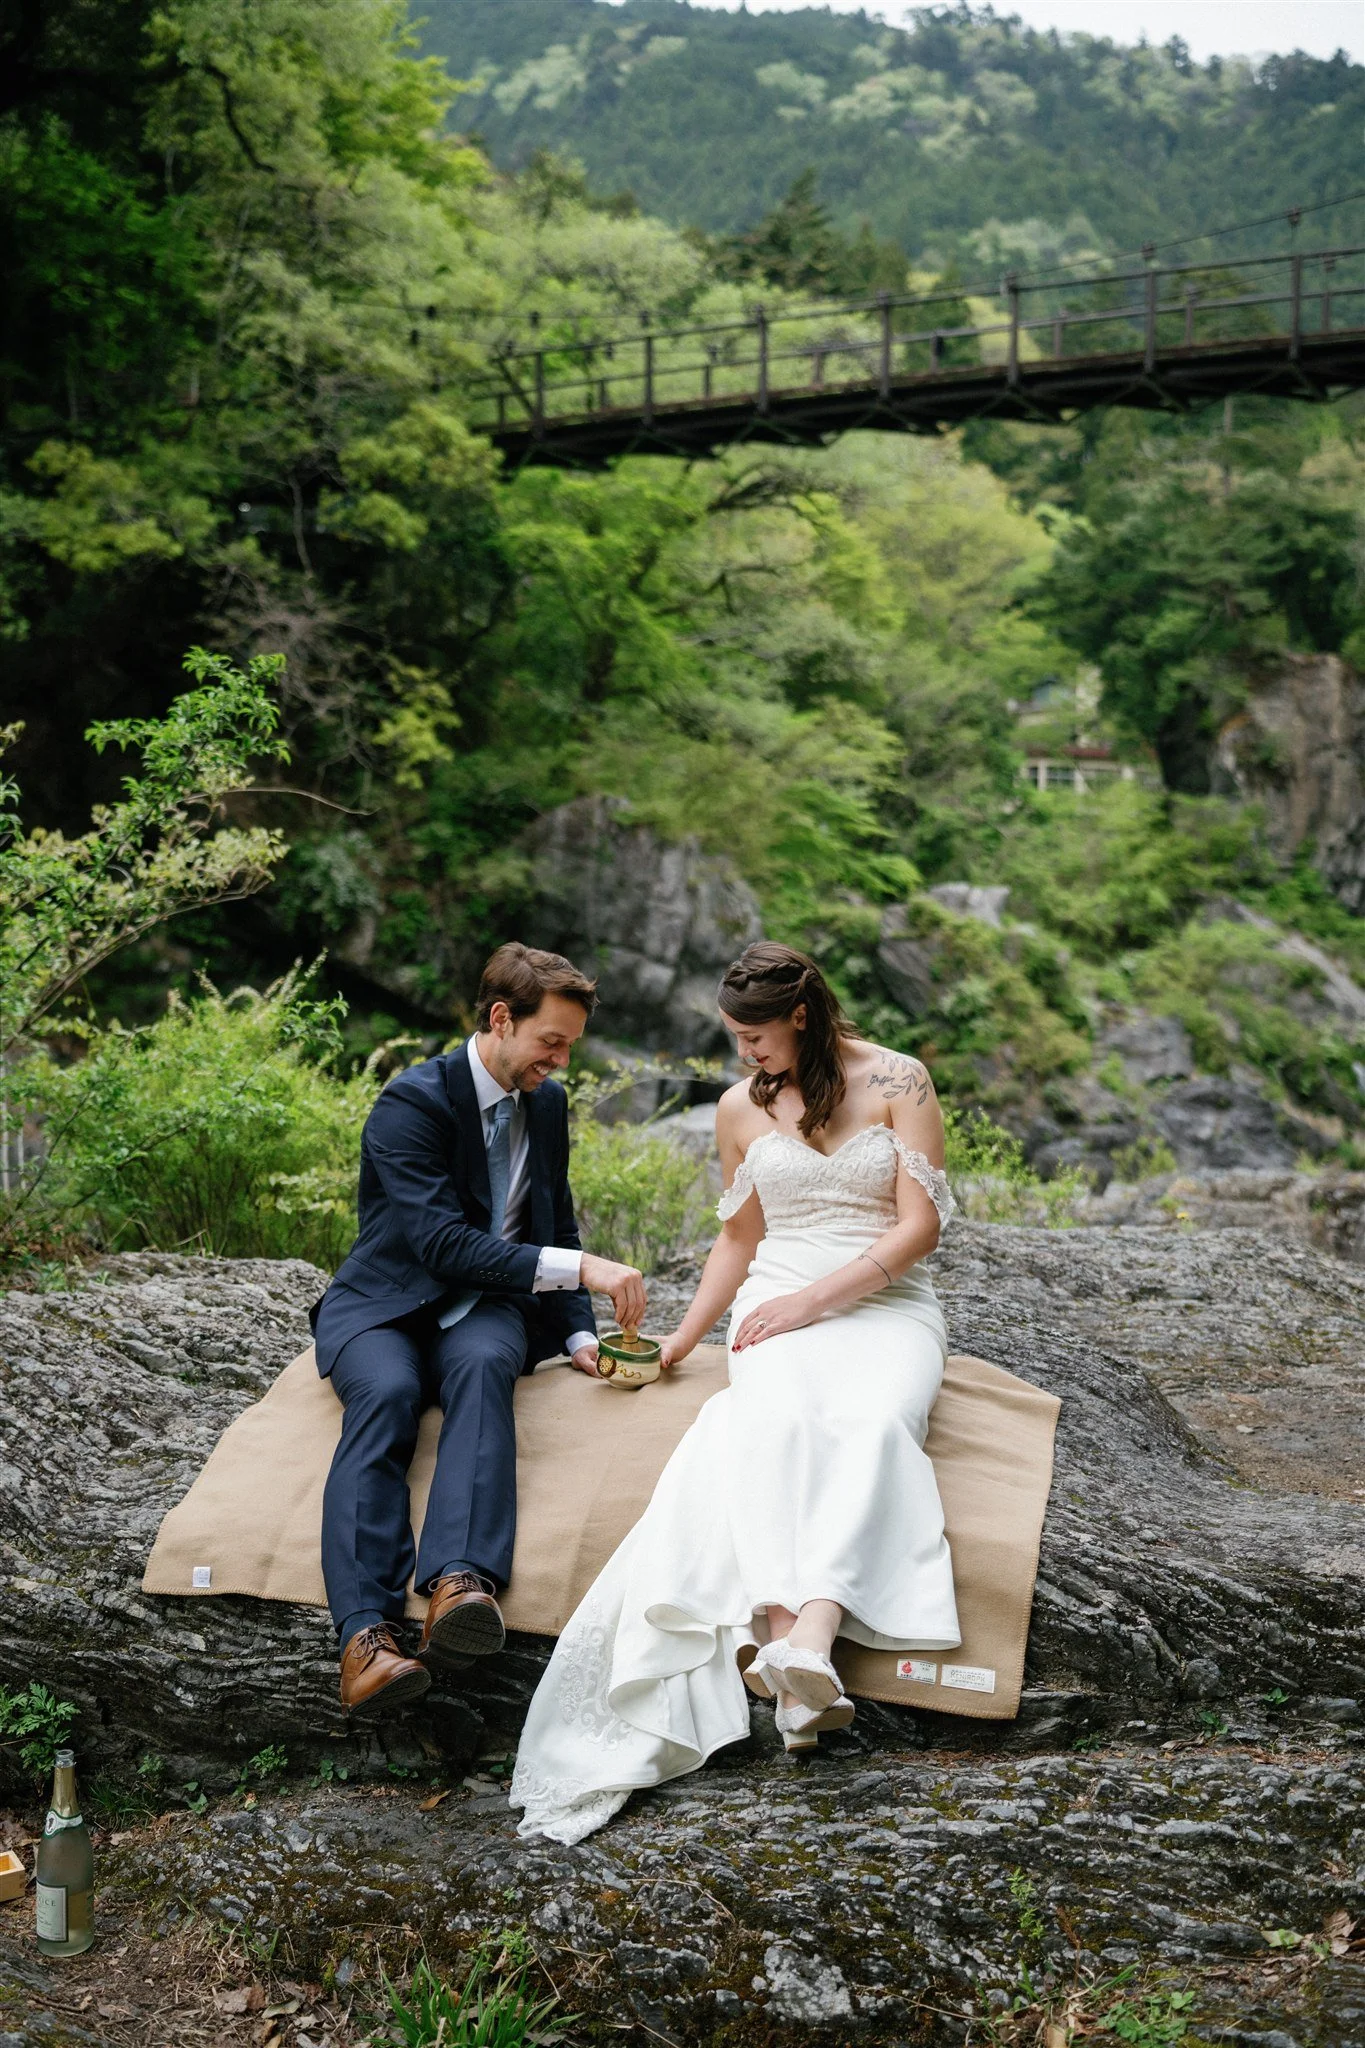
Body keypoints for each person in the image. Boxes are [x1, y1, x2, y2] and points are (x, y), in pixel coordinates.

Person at [510, 940, 960, 1845]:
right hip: (772, 1299)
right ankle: (799, 1662)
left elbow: (921, 1230)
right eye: (734, 1038)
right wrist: (679, 1339)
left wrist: (817, 1300)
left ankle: (808, 1637)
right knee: (780, 1419)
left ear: (799, 1016)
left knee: (873, 1422)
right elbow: (737, 1240)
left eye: (754, 1037)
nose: (744, 1055)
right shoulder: (735, 1110)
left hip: (883, 1301)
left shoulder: (899, 1083)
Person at [312, 942, 648, 1718]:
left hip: (488, 1306)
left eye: (568, 1046)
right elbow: (436, 1244)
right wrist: (583, 1268)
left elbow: (551, 1216)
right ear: (501, 1019)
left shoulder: (548, 1105)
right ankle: (364, 1641)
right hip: (386, 1300)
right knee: (388, 1395)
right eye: (549, 1043)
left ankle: (461, 1584)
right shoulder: (412, 1102)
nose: (558, 1062)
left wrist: (576, 1337)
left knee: (483, 1371)